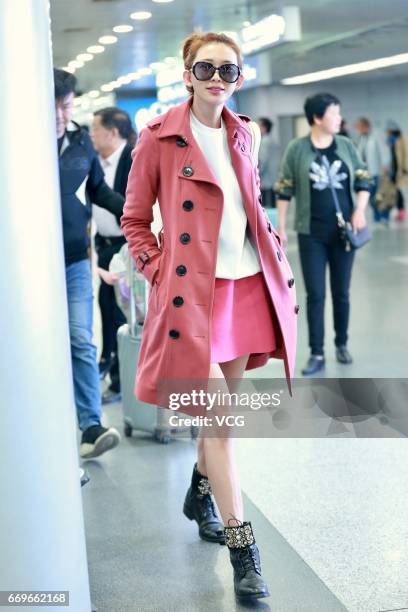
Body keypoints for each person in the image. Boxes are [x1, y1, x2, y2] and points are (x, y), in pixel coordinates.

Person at [121, 32, 298, 601]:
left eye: (229, 71)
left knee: (222, 422)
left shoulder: (244, 133)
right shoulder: (158, 138)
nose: (217, 79)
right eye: (206, 68)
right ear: (187, 75)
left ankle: (201, 494)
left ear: (239, 78)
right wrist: (157, 270)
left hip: (247, 288)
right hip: (193, 297)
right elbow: (134, 220)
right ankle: (245, 551)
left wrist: (272, 242)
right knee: (220, 424)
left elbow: (253, 203)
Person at [275, 93, 370, 376]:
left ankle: (341, 343)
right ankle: (316, 352)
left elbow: (364, 179)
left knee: (341, 292)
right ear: (317, 118)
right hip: (311, 234)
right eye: (334, 113)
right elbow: (285, 188)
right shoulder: (297, 149)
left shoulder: (346, 145)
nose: (339, 118)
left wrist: (360, 210)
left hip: (343, 233)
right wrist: (280, 226)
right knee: (315, 295)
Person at [54, 68, 122, 458]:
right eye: (54, 107)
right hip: (29, 270)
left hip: (75, 261)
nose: (62, 114)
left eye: (67, 105)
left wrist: (134, 213)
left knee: (81, 338)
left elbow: (98, 191)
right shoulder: (19, 140)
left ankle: (91, 427)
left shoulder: (81, 142)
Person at [90, 107, 134, 404]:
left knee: (122, 312)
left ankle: (121, 377)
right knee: (105, 308)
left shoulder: (134, 158)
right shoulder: (93, 161)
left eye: (95, 129)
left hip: (126, 248)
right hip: (102, 245)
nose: (91, 135)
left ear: (112, 132)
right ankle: (108, 362)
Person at [355, 117, 386, 223]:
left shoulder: (375, 137)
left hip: (374, 171)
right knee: (367, 195)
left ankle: (379, 215)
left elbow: (382, 151)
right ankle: (377, 214)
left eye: (360, 126)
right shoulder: (361, 138)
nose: (358, 129)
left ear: (365, 126)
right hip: (364, 172)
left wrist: (384, 165)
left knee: (375, 194)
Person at [385, 120, 408, 222]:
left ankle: (402, 211)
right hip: (395, 170)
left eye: (388, 131)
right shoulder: (392, 140)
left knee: (401, 191)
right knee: (397, 191)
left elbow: (406, 154)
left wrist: (405, 169)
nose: (387, 133)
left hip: (403, 171)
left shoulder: (403, 139)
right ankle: (400, 211)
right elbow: (392, 156)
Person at [256, 117, 280, 209]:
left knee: (266, 208)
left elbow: (262, 161)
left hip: (266, 180)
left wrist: (257, 176)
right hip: (273, 179)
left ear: (264, 128)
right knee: (272, 206)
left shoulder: (264, 142)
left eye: (258, 125)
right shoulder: (273, 141)